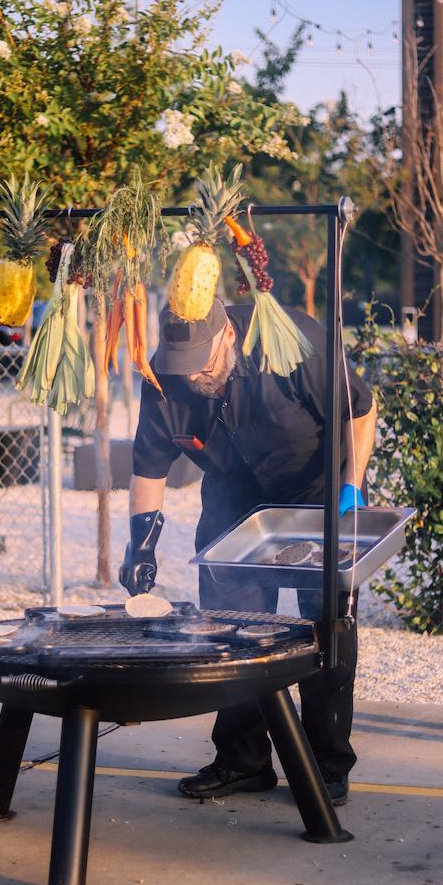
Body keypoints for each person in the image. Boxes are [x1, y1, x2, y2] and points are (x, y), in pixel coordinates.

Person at [119, 298, 377, 806]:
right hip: (233, 500)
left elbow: (361, 411)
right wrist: (141, 543)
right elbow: (149, 467)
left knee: (326, 630)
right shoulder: (168, 377)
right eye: (183, 368)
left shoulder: (292, 342)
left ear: (228, 336)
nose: (194, 377)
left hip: (317, 496)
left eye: (204, 364)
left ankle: (326, 764)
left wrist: (351, 488)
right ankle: (243, 761)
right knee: (230, 631)